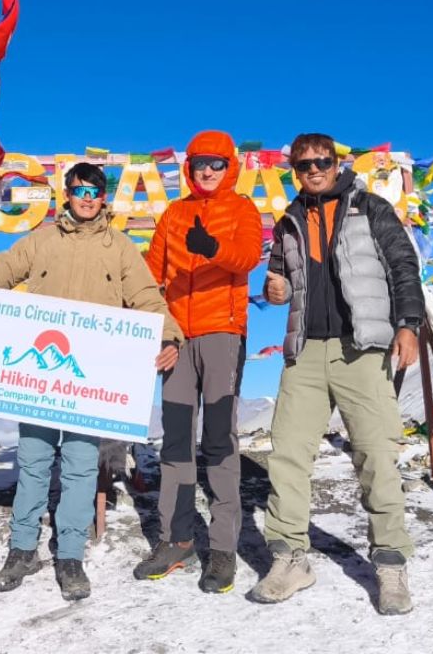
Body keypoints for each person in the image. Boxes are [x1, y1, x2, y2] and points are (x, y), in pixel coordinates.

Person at [0, 163, 183, 601]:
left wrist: (169, 333)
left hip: (88, 381)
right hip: (39, 380)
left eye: (95, 190)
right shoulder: (43, 240)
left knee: (83, 466)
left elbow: (145, 295)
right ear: (68, 194)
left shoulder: (118, 247)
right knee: (34, 460)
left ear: (104, 197)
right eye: (80, 189)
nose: (87, 197)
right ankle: (22, 549)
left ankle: (70, 554)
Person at [253, 133, 425, 615]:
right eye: (304, 164)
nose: (314, 169)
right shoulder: (287, 220)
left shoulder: (370, 208)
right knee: (287, 454)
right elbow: (278, 279)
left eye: (322, 161)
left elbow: (404, 267)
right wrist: (276, 289)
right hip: (305, 351)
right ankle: (290, 559)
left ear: (336, 163)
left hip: (363, 349)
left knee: (376, 455)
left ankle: (390, 565)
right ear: (293, 169)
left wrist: (409, 325)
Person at [133, 131, 263, 593]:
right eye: (200, 163)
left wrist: (213, 249)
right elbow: (151, 276)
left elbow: (247, 257)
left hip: (223, 334)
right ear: (188, 168)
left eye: (216, 163)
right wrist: (142, 321)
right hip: (177, 340)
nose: (207, 171)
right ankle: (177, 539)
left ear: (231, 166)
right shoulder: (173, 213)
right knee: (176, 440)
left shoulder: (243, 209)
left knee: (219, 442)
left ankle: (223, 549)